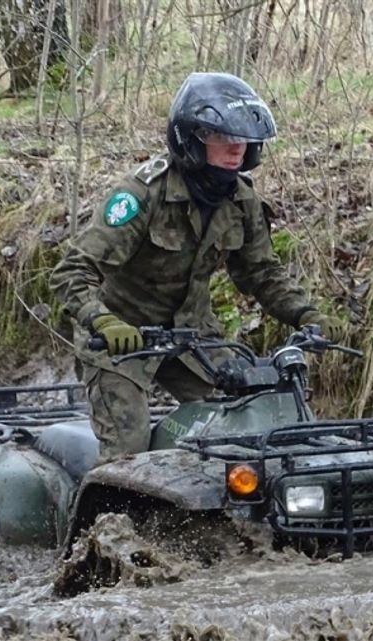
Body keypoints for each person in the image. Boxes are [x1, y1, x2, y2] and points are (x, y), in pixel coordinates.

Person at [49, 71, 334, 461]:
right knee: (129, 453)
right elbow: (72, 270)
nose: (235, 148)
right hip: (122, 341)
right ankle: (113, 520)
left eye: (242, 139)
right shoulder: (142, 194)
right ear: (191, 140)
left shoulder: (240, 199)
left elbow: (262, 272)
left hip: (193, 338)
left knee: (247, 420)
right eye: (221, 137)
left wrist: (306, 314)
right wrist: (104, 323)